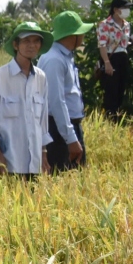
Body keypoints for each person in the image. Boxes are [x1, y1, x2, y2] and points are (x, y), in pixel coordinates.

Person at [0, 22, 53, 178]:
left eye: (36, 41)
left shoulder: (41, 77)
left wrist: (43, 155)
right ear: (16, 45)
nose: (32, 45)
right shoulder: (0, 76)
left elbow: (42, 122)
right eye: (26, 41)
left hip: (34, 164)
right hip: (9, 163)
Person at [41, 10, 94, 172]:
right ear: (72, 36)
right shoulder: (54, 60)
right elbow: (56, 102)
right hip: (59, 130)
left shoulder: (63, 56)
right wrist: (70, 138)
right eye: (81, 33)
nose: (83, 37)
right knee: (63, 177)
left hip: (66, 127)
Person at [97, 0, 131, 120]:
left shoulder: (126, 24)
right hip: (111, 58)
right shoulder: (105, 24)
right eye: (125, 8)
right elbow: (102, 45)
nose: (128, 10)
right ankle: (109, 118)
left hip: (123, 57)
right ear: (116, 10)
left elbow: (124, 43)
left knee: (121, 89)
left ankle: (117, 117)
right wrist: (107, 62)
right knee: (111, 90)